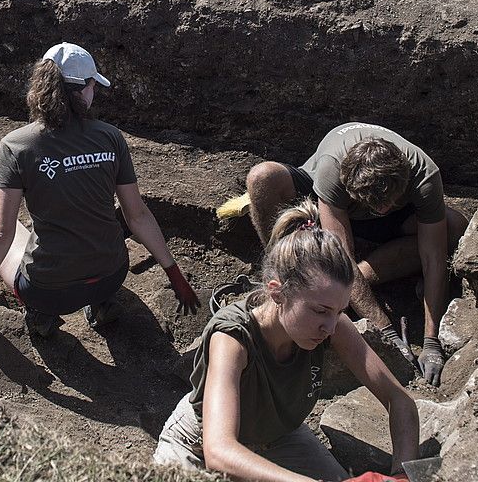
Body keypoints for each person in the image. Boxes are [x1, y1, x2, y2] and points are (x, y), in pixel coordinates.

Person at [0, 42, 200, 337]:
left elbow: (2, 232)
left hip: (46, 291)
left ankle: (40, 313)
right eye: (93, 86)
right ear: (84, 89)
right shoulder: (110, 137)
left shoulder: (16, 145)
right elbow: (137, 216)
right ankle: (101, 303)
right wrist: (174, 274)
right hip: (111, 277)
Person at [153, 200, 420, 480]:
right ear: (277, 292)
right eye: (320, 310)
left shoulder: (332, 326)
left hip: (279, 437)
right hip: (198, 444)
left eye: (340, 311)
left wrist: (401, 475)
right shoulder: (233, 338)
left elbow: (399, 401)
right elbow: (219, 450)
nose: (330, 326)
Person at [244, 123, 471, 386]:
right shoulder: (332, 171)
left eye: (385, 204)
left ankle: (352, 281)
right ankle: (292, 277)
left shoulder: (424, 175)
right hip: (335, 207)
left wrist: (431, 343)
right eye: (376, 205)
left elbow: (434, 259)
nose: (380, 208)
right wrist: (386, 332)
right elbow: (342, 258)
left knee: (453, 228)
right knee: (262, 176)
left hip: (392, 217)